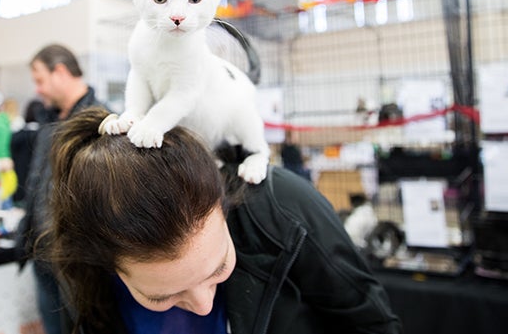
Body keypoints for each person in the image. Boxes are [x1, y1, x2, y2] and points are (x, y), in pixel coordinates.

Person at [40, 107, 402, 334]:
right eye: (163, 296)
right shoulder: (81, 269)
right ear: (106, 264)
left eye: (218, 268)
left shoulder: (283, 209)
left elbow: (372, 322)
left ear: (223, 203)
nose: (203, 305)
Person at [18, 44, 108, 334]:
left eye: (40, 80)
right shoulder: (50, 121)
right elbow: (38, 184)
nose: (38, 90)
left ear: (59, 71)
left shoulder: (101, 122)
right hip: (43, 252)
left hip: (78, 259)